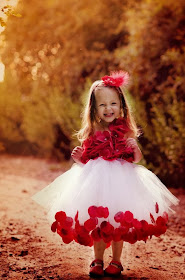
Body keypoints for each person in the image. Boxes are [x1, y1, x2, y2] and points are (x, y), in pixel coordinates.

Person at [32, 71, 179, 278]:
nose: (108, 109)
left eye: (113, 104)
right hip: (96, 182)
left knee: (119, 223)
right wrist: (79, 159)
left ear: (121, 106)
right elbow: (88, 161)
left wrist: (135, 147)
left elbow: (135, 159)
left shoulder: (126, 129)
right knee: (98, 223)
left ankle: (117, 261)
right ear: (94, 108)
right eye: (102, 105)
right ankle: (97, 259)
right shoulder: (92, 130)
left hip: (121, 182)